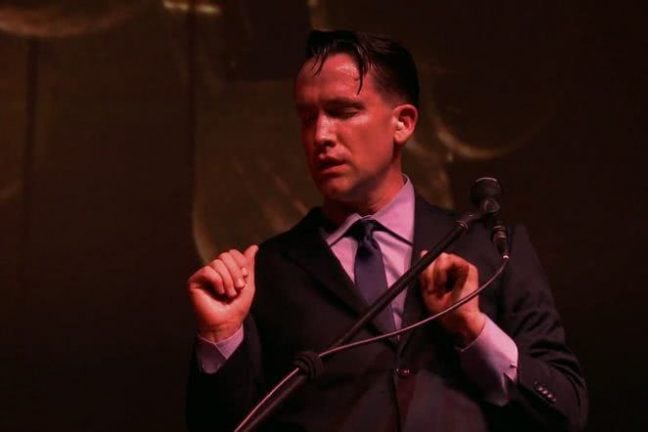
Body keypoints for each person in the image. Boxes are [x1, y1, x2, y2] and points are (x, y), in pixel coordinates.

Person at [186, 30, 588, 431]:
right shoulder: (268, 273)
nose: (320, 136)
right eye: (308, 118)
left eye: (343, 111)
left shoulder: (492, 250)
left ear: (403, 123)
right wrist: (220, 337)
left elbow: (565, 410)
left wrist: (473, 329)